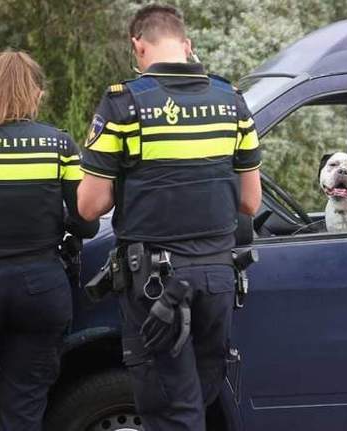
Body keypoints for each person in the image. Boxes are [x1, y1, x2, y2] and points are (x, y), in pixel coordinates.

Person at [77, 5, 261, 430]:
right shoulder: (232, 100)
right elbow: (250, 202)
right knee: (196, 401)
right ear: (187, 44)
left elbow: (89, 207)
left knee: (169, 408)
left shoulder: (123, 103)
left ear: (138, 45)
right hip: (218, 277)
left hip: (156, 286)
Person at [0, 50, 99, 430]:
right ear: (36, 93)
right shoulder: (59, 145)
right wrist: (52, 219)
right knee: (24, 408)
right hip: (41, 289)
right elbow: (87, 225)